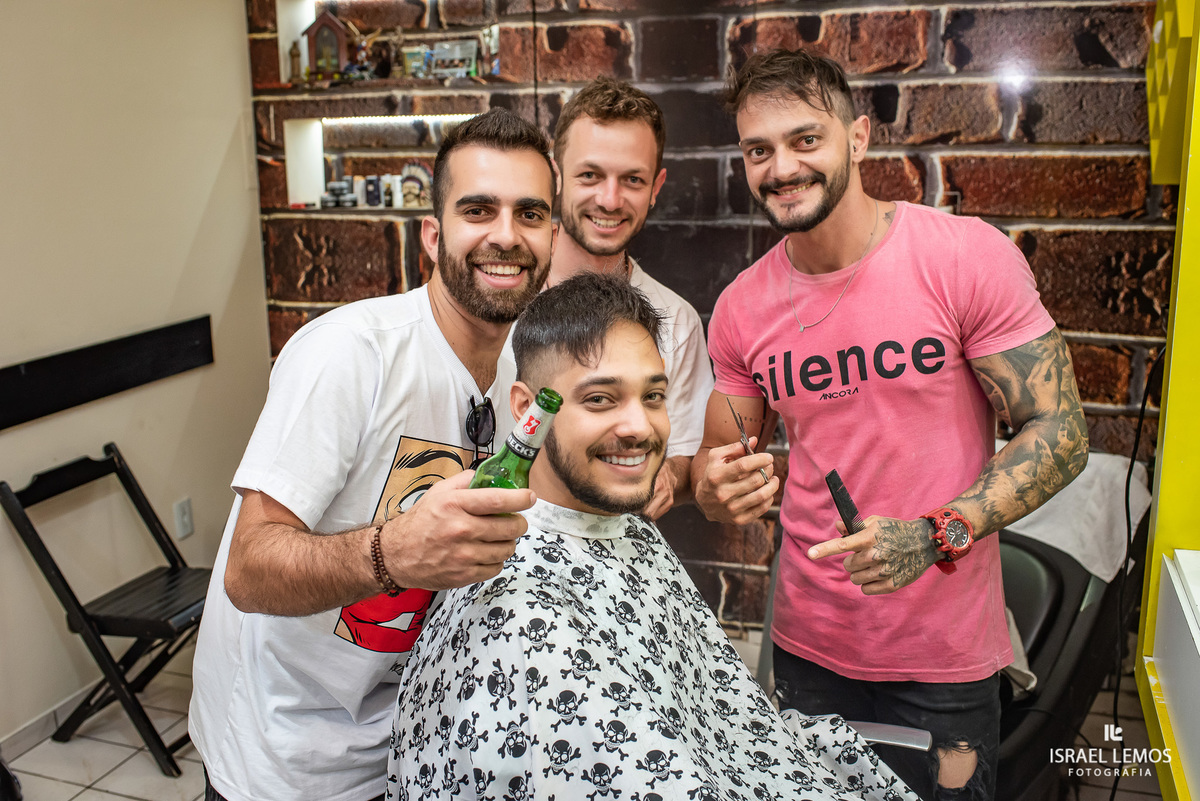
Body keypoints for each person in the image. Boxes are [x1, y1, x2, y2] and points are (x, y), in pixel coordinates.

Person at [692, 49, 1088, 801]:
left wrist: (936, 534)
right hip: (805, 650)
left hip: (943, 660)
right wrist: (719, 486)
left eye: (805, 139)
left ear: (859, 138)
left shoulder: (963, 257)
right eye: (758, 150)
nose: (781, 167)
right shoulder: (743, 306)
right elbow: (722, 468)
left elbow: (1060, 431)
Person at [385, 273, 917, 800]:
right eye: (600, 399)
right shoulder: (520, 616)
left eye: (654, 395)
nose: (640, 427)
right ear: (528, 409)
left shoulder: (626, 531)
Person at [188, 108, 558, 801]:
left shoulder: (523, 373)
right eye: (478, 209)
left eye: (530, 213)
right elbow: (248, 567)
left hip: (408, 739)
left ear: (553, 236)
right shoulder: (350, 354)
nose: (506, 235)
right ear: (433, 233)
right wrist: (392, 553)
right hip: (287, 756)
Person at [548, 76, 715, 519]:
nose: (610, 199)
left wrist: (670, 476)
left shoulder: (675, 320)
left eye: (632, 180)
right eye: (590, 175)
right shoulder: (500, 292)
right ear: (556, 173)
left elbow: (684, 455)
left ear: (656, 187)